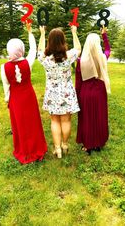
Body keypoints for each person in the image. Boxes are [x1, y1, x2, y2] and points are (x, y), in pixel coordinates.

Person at [1, 23, 47, 164]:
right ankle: (36, 148)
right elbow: (33, 49)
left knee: (19, 124)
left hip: (15, 99)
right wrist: (30, 32)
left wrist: (7, 100)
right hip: (28, 96)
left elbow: (6, 87)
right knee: (32, 122)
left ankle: (24, 150)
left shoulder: (4, 67)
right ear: (21, 49)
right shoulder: (28, 62)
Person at [38, 26, 81, 158]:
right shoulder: (68, 56)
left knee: (55, 121)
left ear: (49, 42)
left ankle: (57, 150)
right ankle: (64, 144)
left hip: (52, 94)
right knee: (66, 120)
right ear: (63, 40)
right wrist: (74, 32)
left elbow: (40, 49)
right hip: (66, 93)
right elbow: (78, 49)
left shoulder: (45, 59)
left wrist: (42, 33)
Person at [75, 26, 111, 155]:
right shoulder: (102, 58)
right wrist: (104, 36)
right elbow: (108, 50)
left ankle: (87, 145)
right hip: (100, 92)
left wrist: (77, 95)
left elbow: (78, 81)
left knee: (86, 118)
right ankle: (98, 143)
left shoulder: (80, 61)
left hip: (85, 92)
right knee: (99, 116)